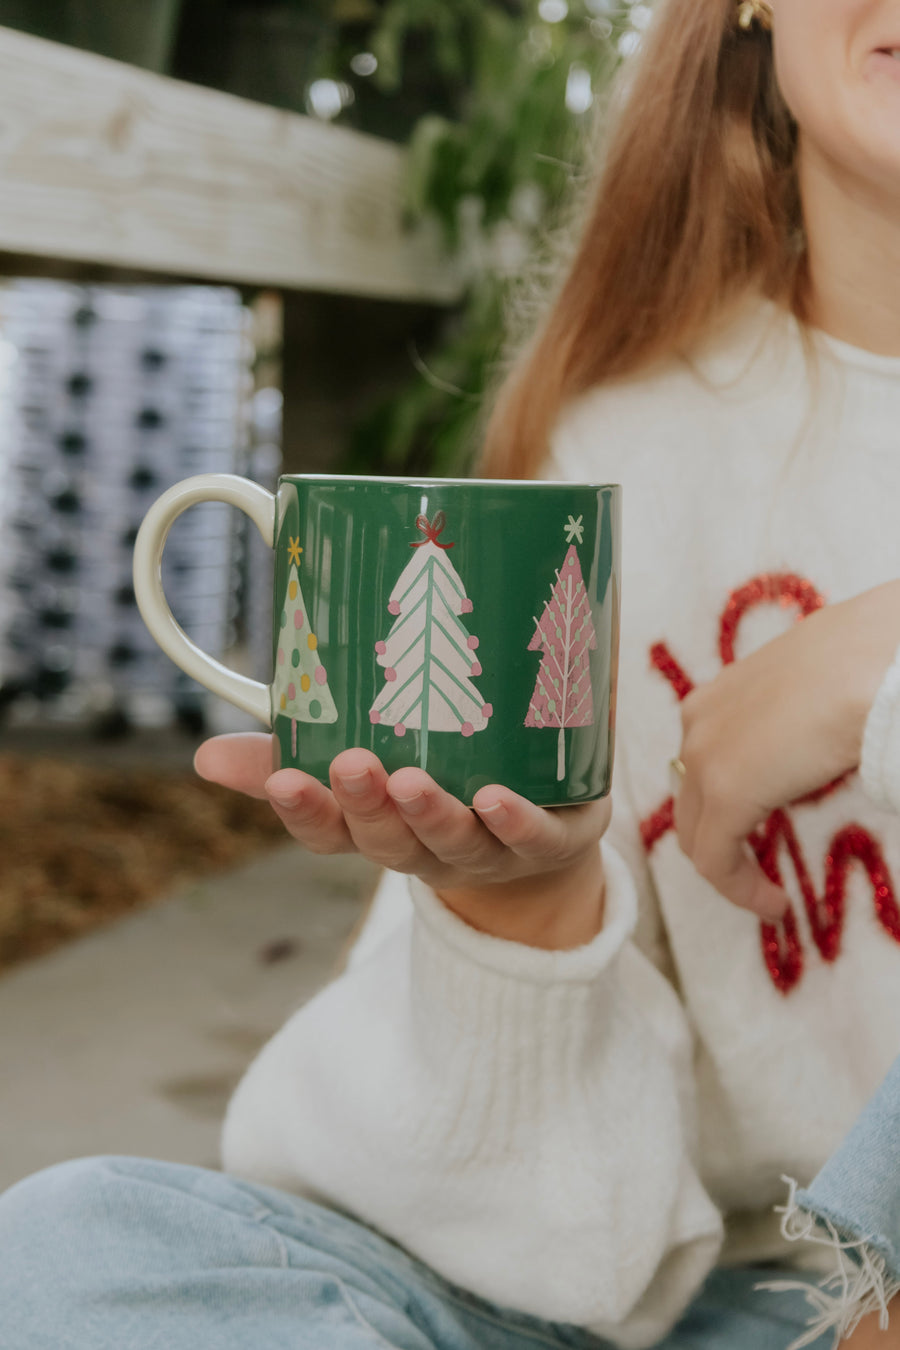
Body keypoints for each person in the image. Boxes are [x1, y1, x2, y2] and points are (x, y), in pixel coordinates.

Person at [3, 0, 900, 1347]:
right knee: (76, 1253)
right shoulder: (631, 449)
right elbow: (562, 1251)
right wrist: (523, 909)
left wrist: (871, 667)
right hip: (735, 1301)